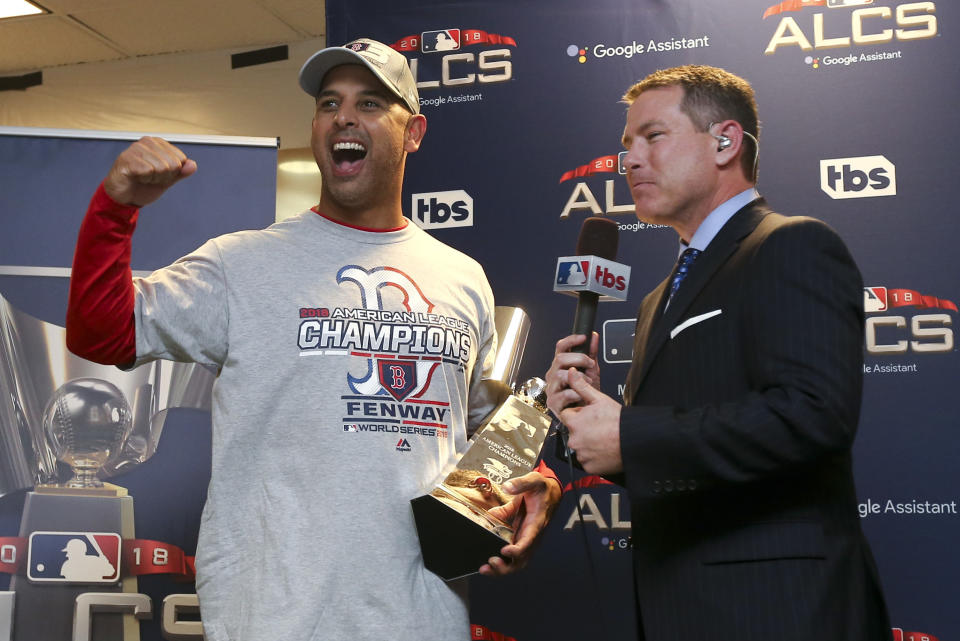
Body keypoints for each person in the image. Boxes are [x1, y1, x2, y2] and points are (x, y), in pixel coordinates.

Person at [66, 37, 561, 641]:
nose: (344, 117)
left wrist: (535, 484)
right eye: (329, 103)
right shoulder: (242, 264)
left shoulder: (463, 278)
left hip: (421, 618)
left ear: (415, 133)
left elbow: (479, 433)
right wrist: (115, 207)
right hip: (275, 618)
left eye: (371, 103)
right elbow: (101, 331)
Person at [545, 65, 891, 641]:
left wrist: (630, 434)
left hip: (780, 612)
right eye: (626, 144)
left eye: (653, 136)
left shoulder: (791, 244)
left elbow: (813, 416)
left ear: (726, 141)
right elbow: (683, 458)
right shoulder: (661, 298)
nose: (629, 159)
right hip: (678, 611)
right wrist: (588, 425)